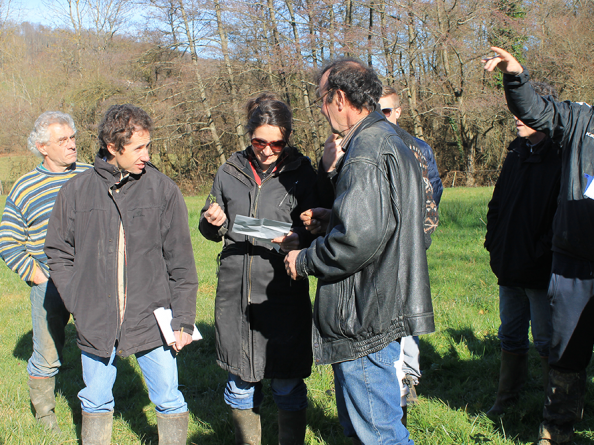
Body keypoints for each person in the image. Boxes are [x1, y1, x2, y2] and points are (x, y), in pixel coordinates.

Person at [285, 59, 434, 445]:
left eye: (322, 98)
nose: (320, 108)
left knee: (380, 434)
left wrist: (303, 259)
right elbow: (383, 218)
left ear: (339, 97)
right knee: (363, 428)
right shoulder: (388, 138)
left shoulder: (366, 149)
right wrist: (334, 213)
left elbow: (356, 240)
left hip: (363, 310)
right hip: (380, 300)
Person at [44, 104, 198, 445]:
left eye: (148, 146)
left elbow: (182, 264)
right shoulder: (76, 191)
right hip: (95, 319)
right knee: (95, 400)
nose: (147, 154)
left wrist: (183, 319)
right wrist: (78, 301)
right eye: (139, 147)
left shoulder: (163, 190)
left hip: (152, 318)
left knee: (169, 399)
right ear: (114, 147)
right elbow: (57, 251)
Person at [484, 47, 594, 445]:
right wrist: (515, 75)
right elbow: (498, 203)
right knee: (538, 345)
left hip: (544, 264)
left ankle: (560, 421)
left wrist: (538, 253)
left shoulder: (568, 143)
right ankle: (542, 423)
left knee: (555, 346)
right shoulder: (570, 127)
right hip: (542, 266)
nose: (520, 121)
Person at [199, 93, 318, 445]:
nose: (267, 150)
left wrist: (300, 237)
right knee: (239, 385)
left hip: (281, 294)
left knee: (286, 383)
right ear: (249, 136)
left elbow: (320, 227)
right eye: (259, 142)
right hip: (234, 294)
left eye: (277, 144)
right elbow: (210, 226)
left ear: (288, 139)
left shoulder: (303, 173)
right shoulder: (229, 171)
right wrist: (213, 221)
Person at [0, 111, 91, 432]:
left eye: (73, 138)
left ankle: (95, 407)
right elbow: (8, 241)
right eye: (62, 140)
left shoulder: (92, 175)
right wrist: (37, 277)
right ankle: (45, 415)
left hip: (93, 281)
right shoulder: (25, 186)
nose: (71, 145)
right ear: (42, 146)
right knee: (47, 353)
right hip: (49, 283)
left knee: (97, 346)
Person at [484, 81, 561, 416]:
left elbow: (565, 215)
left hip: (541, 270)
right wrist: (494, 243)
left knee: (546, 340)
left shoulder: (562, 154)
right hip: (509, 266)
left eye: (522, 108)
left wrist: (540, 252)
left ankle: (554, 410)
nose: (515, 116)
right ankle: (506, 400)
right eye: (513, 109)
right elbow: (497, 203)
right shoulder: (516, 151)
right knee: (510, 336)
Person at [379, 86, 442, 409]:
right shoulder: (360, 143)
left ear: (399, 112)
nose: (382, 117)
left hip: (409, 247)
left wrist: (420, 238)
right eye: (377, 111)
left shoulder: (417, 148)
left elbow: (433, 194)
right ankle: (374, 378)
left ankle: (408, 379)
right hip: (375, 251)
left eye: (387, 111)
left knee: (407, 314)